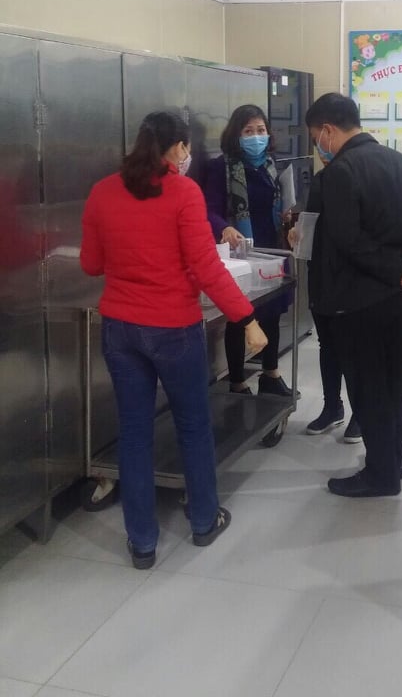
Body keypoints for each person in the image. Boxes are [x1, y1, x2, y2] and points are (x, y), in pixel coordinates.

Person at [80, 111, 267, 568]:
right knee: (193, 426)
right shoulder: (184, 192)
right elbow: (206, 268)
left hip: (120, 329)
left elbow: (91, 264)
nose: (187, 156)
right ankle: (203, 521)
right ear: (178, 148)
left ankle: (142, 543)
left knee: (135, 433)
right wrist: (247, 318)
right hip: (173, 329)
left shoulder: (103, 191)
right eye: (186, 148)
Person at [305, 93, 402, 497]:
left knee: (368, 385)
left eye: (316, 137)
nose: (318, 145)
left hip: (360, 298)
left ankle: (381, 475)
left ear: (328, 130)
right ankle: (394, 459)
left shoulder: (340, 172)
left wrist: (398, 269)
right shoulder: (401, 162)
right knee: (394, 378)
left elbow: (349, 242)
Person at [203, 104, 295, 398]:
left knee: (272, 311)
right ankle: (237, 382)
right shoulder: (221, 167)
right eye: (248, 131)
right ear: (236, 135)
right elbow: (209, 210)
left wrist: (287, 216)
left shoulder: (271, 164)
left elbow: (280, 202)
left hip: (272, 248)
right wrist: (224, 228)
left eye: (261, 130)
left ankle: (271, 374)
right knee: (238, 314)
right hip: (240, 250)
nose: (256, 136)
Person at [289, 167, 361, 443]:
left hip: (351, 276)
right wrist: (297, 233)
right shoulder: (321, 180)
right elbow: (310, 221)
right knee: (327, 344)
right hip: (320, 272)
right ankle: (332, 407)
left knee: (351, 347)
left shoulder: (359, 176)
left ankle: (360, 414)